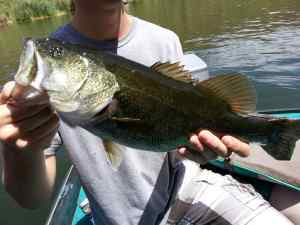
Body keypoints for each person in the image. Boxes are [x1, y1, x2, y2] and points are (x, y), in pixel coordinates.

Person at [0, 0, 294, 224]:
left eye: (58, 55)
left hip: (187, 188)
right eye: (57, 55)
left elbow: (192, 132)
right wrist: (19, 150)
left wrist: (204, 151)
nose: (53, 54)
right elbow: (30, 198)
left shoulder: (163, 40)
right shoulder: (48, 71)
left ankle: (274, 133)